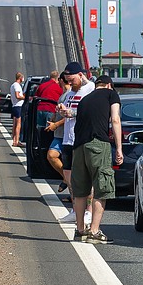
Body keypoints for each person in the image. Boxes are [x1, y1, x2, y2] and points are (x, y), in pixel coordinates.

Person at [70, 72, 122, 244]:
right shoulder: (111, 94)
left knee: (80, 190)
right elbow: (115, 119)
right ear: (108, 85)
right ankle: (94, 231)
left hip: (78, 147)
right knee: (102, 187)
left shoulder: (85, 99)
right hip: (98, 144)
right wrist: (119, 148)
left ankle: (80, 231)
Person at [57, 62, 93, 225]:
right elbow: (66, 105)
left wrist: (71, 112)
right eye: (68, 80)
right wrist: (62, 108)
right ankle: (75, 210)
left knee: (85, 178)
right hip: (67, 139)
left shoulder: (89, 88)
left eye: (72, 80)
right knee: (69, 177)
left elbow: (88, 111)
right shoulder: (71, 92)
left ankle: (88, 212)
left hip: (80, 139)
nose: (70, 83)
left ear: (80, 75)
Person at [9, 72, 26, 146]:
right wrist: (24, 98)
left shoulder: (13, 85)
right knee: (18, 124)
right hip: (18, 106)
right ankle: (16, 141)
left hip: (14, 106)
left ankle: (14, 140)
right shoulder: (17, 86)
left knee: (15, 124)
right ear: (20, 78)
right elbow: (17, 96)